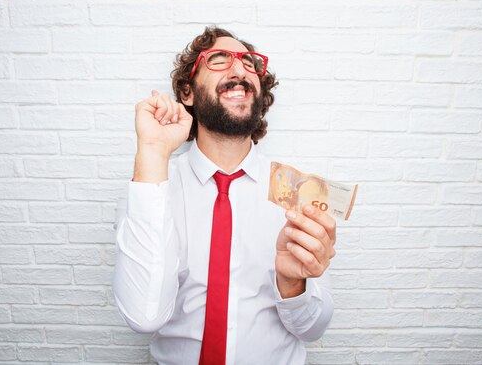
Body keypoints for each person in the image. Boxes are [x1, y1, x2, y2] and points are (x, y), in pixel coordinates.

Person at [113, 26, 336, 365]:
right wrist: (153, 153)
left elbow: (313, 329)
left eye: (250, 64)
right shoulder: (151, 184)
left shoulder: (298, 192)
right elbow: (144, 317)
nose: (239, 70)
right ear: (187, 92)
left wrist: (292, 284)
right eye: (219, 60)